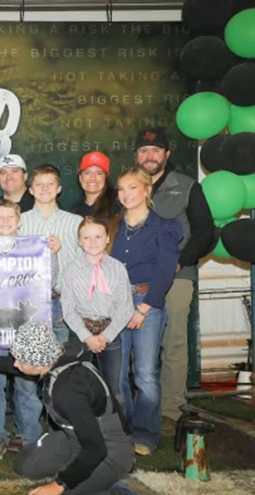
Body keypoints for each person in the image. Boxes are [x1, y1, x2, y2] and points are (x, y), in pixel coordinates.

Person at [0, 322, 173, 495]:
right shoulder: (61, 356)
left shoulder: (67, 391)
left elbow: (95, 448)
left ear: (39, 361)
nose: (15, 364)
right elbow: (27, 366)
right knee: (26, 465)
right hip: (76, 439)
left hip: (109, 452)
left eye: (21, 360)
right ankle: (86, 478)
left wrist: (60, 485)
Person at [133, 128, 214, 436]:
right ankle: (138, 407)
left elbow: (205, 231)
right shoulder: (129, 186)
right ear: (136, 156)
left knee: (174, 341)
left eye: (156, 151)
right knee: (135, 344)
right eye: (143, 151)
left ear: (167, 155)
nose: (149, 156)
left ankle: (170, 409)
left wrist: (182, 259)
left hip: (177, 276)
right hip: (138, 279)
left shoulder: (187, 186)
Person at [109, 166, 183, 456]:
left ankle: (146, 434)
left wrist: (143, 309)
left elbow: (165, 273)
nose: (126, 194)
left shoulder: (165, 227)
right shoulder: (112, 225)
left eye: (133, 188)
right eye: (121, 189)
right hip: (115, 306)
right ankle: (121, 431)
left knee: (144, 374)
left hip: (146, 304)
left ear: (147, 190)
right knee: (116, 376)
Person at [0, 198, 51, 460]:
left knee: (27, 384)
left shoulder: (34, 248)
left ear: (20, 221)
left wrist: (51, 251)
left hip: (26, 327)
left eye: (11, 217)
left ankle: (30, 437)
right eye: (0, 217)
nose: (6, 221)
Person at [61, 217, 134, 404]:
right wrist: (88, 337)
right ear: (79, 240)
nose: (92, 242)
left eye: (98, 236)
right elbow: (68, 310)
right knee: (79, 386)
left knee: (113, 388)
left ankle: (114, 431)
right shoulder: (70, 270)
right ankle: (83, 430)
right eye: (86, 238)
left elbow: (125, 308)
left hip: (110, 333)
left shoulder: (118, 268)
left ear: (107, 238)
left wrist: (104, 337)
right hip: (80, 334)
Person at [19, 164, 82, 343]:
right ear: (30, 190)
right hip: (30, 303)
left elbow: (84, 265)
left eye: (50, 184)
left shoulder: (75, 222)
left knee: (61, 363)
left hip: (64, 302)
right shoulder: (19, 221)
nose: (45, 189)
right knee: (31, 361)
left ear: (59, 188)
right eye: (39, 184)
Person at [69, 151, 120, 222]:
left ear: (106, 178)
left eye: (99, 173)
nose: (92, 178)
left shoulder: (118, 206)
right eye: (87, 173)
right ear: (80, 178)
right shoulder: (74, 212)